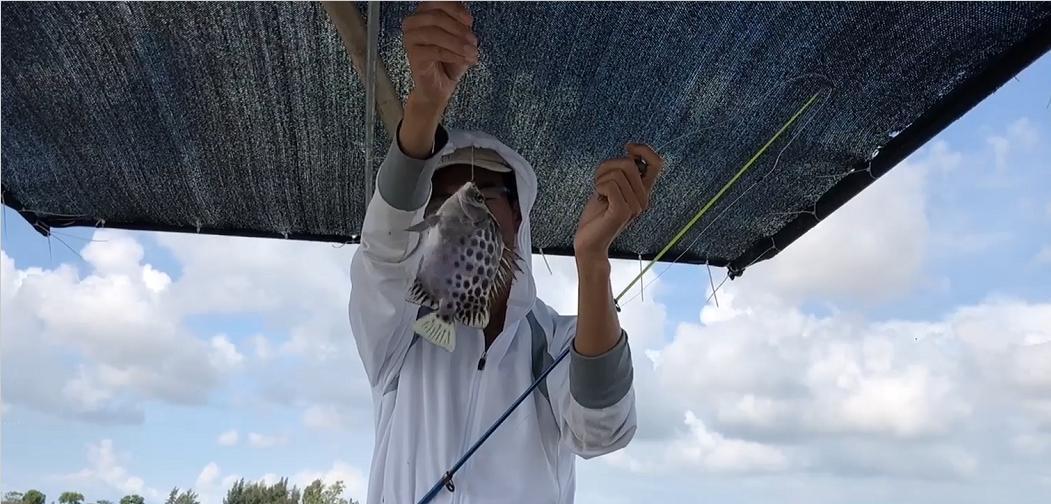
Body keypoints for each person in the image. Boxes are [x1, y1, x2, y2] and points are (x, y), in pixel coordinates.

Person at [348, 2, 664, 502]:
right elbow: (383, 254)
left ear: (518, 218)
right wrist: (424, 109)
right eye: (442, 196)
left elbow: (602, 428)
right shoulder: (401, 329)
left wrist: (593, 260)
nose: (458, 209)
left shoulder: (558, 339)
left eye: (482, 191)